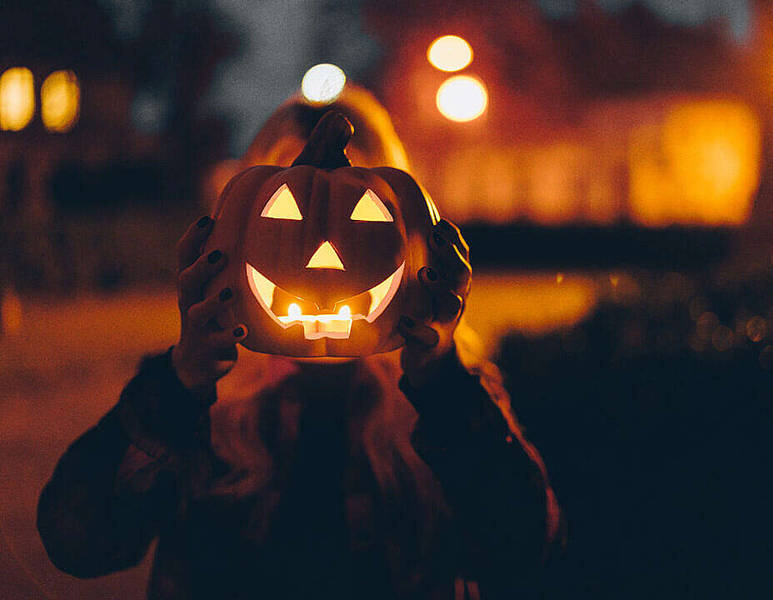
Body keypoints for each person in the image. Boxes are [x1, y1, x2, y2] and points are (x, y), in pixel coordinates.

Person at [36, 114, 563, 599]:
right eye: (285, 209)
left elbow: (522, 552)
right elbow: (77, 541)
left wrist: (442, 380)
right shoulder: (191, 407)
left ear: (413, 233)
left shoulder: (453, 399)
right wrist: (180, 383)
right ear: (233, 230)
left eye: (362, 211)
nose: (323, 251)